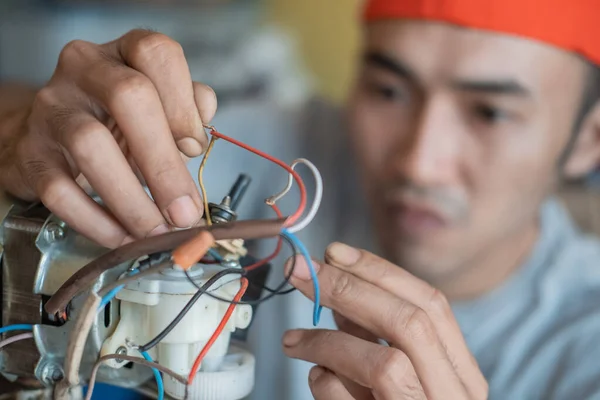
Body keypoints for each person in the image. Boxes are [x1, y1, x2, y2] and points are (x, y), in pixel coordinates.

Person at [2, 0, 600, 399]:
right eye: (389, 89)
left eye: (489, 112)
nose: (420, 161)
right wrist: (23, 133)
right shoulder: (287, 154)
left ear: (588, 140)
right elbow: (67, 129)